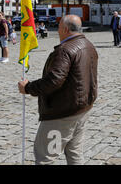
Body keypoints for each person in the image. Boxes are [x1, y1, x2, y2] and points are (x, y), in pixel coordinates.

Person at [17, 15, 98, 165]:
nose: (58, 30)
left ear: (65, 29)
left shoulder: (64, 50)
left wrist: (28, 87)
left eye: (59, 26)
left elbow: (54, 81)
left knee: (46, 157)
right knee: (75, 154)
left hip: (61, 114)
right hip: (82, 108)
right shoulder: (88, 44)